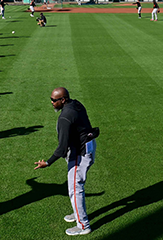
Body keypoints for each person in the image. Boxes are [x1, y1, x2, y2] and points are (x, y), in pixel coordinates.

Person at [34, 87, 99, 236]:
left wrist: (48, 162)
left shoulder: (65, 118)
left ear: (63, 100)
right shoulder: (76, 104)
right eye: (51, 99)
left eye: (54, 100)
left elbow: (62, 148)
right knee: (75, 187)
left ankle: (83, 225)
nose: (51, 103)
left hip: (79, 154)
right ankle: (77, 214)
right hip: (88, 146)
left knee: (75, 188)